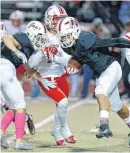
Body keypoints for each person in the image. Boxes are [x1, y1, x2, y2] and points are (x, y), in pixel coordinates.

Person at [52, 16, 130, 147]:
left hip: (110, 67)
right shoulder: (69, 46)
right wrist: (55, 58)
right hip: (101, 73)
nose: (64, 40)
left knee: (100, 91)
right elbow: (77, 60)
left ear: (75, 32)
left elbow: (111, 42)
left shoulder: (84, 39)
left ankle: (104, 125)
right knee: (117, 107)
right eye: (63, 37)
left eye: (66, 36)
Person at [1, 20, 56, 150]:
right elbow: (7, 38)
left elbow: (28, 69)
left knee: (13, 107)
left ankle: (1, 133)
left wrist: (41, 79)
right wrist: (16, 51)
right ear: (33, 33)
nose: (41, 40)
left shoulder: (28, 47)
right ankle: (19, 141)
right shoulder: (24, 37)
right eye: (40, 37)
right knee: (20, 105)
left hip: (5, 71)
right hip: (4, 69)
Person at [28, 5, 77, 146]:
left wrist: (72, 63)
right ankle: (64, 129)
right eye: (56, 19)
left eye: (61, 19)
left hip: (61, 74)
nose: (58, 22)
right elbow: (31, 63)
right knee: (63, 102)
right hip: (46, 76)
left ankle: (56, 131)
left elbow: (63, 55)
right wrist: (42, 51)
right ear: (48, 19)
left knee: (61, 106)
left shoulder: (62, 34)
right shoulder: (40, 34)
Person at [0, 21, 35, 135]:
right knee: (7, 106)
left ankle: (22, 121)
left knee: (9, 106)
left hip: (5, 77)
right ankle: (25, 119)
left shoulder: (6, 45)